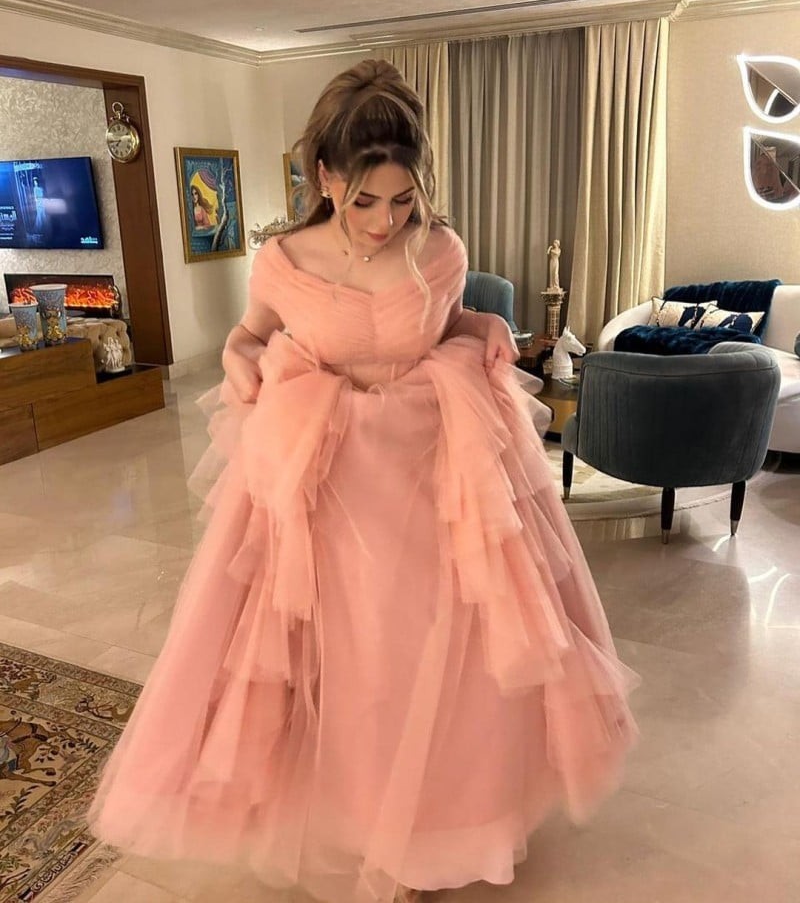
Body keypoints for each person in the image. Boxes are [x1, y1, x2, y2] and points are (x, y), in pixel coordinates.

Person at [89, 60, 636, 903]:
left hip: (435, 466)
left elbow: (442, 322)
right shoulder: (283, 260)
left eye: (403, 200)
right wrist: (240, 364)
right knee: (353, 664)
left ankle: (447, 828)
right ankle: (360, 824)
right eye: (365, 201)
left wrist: (485, 318)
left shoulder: (441, 249)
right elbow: (248, 336)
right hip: (327, 480)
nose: (386, 222)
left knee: (451, 657)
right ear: (325, 178)